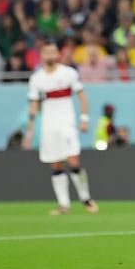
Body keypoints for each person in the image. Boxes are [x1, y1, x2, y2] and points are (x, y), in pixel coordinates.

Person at [23, 42, 98, 215]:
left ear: (57, 54)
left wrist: (84, 119)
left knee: (73, 160)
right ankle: (64, 204)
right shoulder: (36, 79)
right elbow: (33, 106)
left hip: (67, 123)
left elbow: (83, 98)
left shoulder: (68, 73)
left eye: (53, 51)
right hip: (49, 125)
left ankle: (86, 198)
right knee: (56, 164)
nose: (50, 55)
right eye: (46, 52)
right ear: (41, 55)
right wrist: (30, 131)